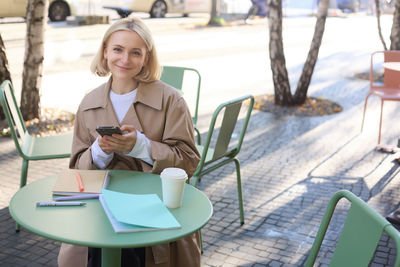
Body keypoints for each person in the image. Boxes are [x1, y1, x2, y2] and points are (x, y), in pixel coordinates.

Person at [57, 17, 201, 267]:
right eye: (117, 49)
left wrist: (140, 146)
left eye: (136, 52)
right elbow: (76, 171)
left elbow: (188, 163)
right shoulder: (89, 103)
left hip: (155, 217)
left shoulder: (171, 100)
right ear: (104, 52)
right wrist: (99, 152)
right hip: (99, 215)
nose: (125, 60)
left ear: (146, 57)